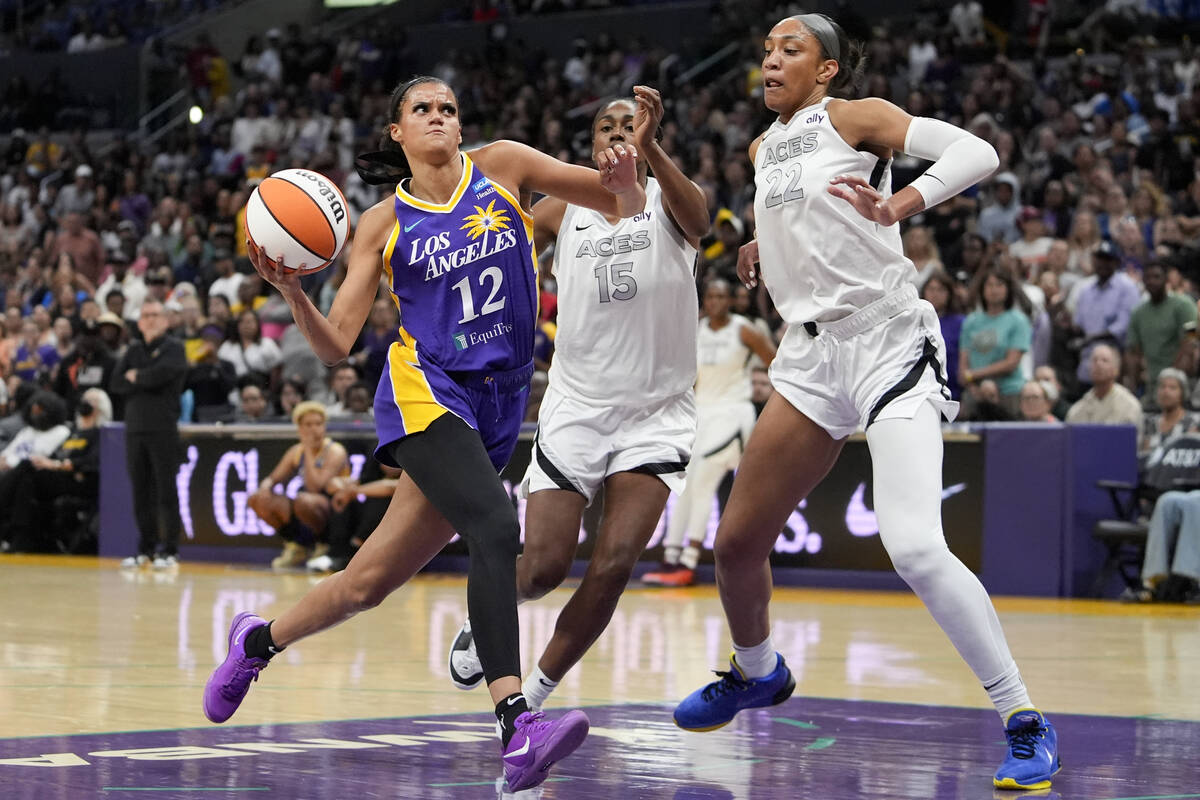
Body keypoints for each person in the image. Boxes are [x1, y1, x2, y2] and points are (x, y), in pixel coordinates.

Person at [203, 75, 646, 792]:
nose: (439, 117)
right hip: (424, 391)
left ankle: (256, 642)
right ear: (397, 133)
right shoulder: (379, 224)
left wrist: (626, 180)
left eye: (448, 108)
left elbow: (626, 207)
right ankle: (516, 724)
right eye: (422, 109)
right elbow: (336, 344)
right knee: (499, 529)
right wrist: (292, 294)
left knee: (366, 584)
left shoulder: (505, 167)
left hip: (499, 401)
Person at [670, 14, 1060, 792]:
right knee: (736, 542)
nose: (772, 59)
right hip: (809, 355)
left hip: (887, 342)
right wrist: (760, 242)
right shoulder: (761, 148)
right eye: (768, 49)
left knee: (914, 545)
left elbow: (977, 153)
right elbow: (799, 214)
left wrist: (901, 204)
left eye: (792, 50)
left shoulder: (855, 116)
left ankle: (1025, 719)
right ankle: (759, 671)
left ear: (827, 71)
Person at [444, 88, 710, 707]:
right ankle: (486, 608)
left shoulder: (670, 200)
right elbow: (482, 243)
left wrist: (652, 153)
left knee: (616, 563)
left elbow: (699, 222)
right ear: (590, 144)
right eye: (606, 126)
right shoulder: (563, 209)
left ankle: (532, 696)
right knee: (539, 571)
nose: (618, 133)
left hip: (656, 414)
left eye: (630, 124)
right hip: (576, 408)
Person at [643, 278, 776, 587]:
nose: (714, 301)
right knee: (685, 485)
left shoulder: (744, 330)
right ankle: (670, 558)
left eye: (721, 296)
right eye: (710, 296)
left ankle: (688, 562)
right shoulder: (697, 331)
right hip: (701, 415)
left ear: (731, 300)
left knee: (702, 483)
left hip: (733, 415)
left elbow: (778, 362)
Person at [110, 299, 188, 570]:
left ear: (166, 320)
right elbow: (116, 382)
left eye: (156, 315)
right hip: (135, 430)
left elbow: (164, 374)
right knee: (141, 491)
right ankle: (145, 548)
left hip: (163, 428)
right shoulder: (133, 350)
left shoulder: (174, 348)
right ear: (139, 322)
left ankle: (170, 550)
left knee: (166, 490)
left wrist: (138, 377)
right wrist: (142, 377)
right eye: (146, 315)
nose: (151, 319)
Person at [247, 400, 348, 569]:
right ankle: (296, 545)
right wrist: (265, 487)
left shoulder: (335, 450)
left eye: (318, 423)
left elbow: (317, 487)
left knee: (305, 501)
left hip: (333, 511)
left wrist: (308, 450)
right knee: (257, 499)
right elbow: (273, 478)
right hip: (305, 504)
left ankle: (323, 545)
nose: (314, 429)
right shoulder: (296, 451)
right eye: (308, 424)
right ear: (299, 428)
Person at [959, 266, 1031, 417]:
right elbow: (963, 367)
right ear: (982, 290)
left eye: (999, 284)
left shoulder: (1018, 320)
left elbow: (1011, 363)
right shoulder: (971, 321)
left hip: (1008, 393)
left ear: (1008, 289)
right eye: (989, 285)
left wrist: (974, 374)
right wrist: (973, 386)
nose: (994, 290)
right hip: (975, 394)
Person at [1124, 261, 1196, 397]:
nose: (1152, 281)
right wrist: (1133, 385)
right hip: (1151, 384)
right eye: (1148, 277)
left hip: (1181, 383)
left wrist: (1172, 379)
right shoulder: (1138, 312)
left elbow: (1192, 340)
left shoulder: (1185, 305)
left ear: (1166, 279)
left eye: (1157, 277)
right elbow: (1133, 351)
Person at [1066, 344, 1142, 426]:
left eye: (1105, 360)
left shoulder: (1130, 406)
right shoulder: (1076, 411)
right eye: (1094, 360)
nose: (1098, 364)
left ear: (1116, 370)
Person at [1138, 368, 1197, 456]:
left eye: (1172, 388)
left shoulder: (1194, 422)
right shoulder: (1149, 423)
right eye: (1162, 387)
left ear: (1182, 393)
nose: (1166, 391)